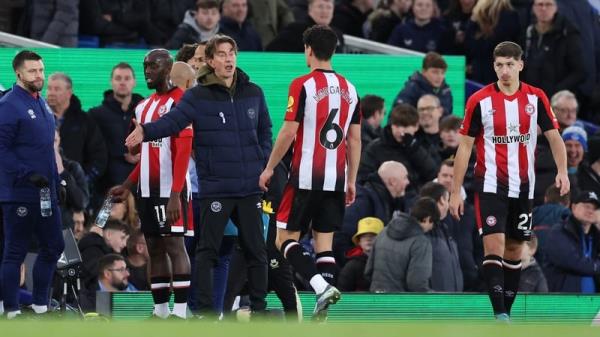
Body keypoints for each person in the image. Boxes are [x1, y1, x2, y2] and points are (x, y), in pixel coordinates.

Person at [124, 35, 272, 318]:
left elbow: (265, 131)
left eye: (232, 53)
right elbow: (173, 123)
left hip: (249, 186)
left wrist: (261, 163)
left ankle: (260, 309)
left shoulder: (254, 92)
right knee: (207, 251)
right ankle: (203, 311)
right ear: (211, 60)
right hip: (216, 186)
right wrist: (147, 131)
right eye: (222, 54)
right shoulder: (197, 96)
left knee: (257, 251)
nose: (228, 59)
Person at [450, 41, 568, 321]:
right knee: (494, 245)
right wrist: (455, 191)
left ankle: (507, 313)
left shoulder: (536, 98)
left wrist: (562, 171)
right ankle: (500, 314)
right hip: (490, 184)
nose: (504, 71)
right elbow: (465, 147)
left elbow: (554, 137)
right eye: (499, 65)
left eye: (510, 65)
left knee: (515, 249)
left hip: (523, 186)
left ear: (520, 65)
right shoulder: (479, 100)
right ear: (494, 66)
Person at [258, 25, 361, 321]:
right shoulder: (351, 89)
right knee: (323, 244)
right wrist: (351, 179)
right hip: (336, 178)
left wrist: (269, 168)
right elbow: (354, 140)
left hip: (304, 175)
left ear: (308, 50)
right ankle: (323, 309)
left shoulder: (302, 84)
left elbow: (289, 131)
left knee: (283, 238)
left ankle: (319, 287)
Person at [111, 49, 193, 320]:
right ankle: (160, 312)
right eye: (145, 67)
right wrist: (126, 184)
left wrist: (175, 194)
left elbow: (182, 152)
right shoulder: (142, 107)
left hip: (171, 190)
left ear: (168, 69)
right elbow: (146, 156)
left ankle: (180, 313)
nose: (148, 71)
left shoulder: (182, 103)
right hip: (146, 190)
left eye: (153, 67)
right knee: (154, 248)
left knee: (174, 247)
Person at [0, 50, 65, 319]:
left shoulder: (42, 104)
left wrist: (58, 178)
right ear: (18, 74)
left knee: (54, 246)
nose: (39, 75)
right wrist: (27, 174)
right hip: (20, 192)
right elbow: (1, 150)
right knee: (15, 251)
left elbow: (46, 147)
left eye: (41, 70)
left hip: (46, 190)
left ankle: (40, 306)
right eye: (32, 71)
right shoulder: (9, 104)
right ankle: (11, 310)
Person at [89, 62, 144, 196]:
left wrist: (141, 154)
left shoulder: (146, 112)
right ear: (111, 82)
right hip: (107, 188)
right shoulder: (96, 114)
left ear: (134, 82)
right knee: (104, 217)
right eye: (118, 78)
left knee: (141, 217)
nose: (122, 82)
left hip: (141, 186)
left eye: (127, 78)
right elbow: (92, 149)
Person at [365, 197, 437, 292]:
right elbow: (416, 284)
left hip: (376, 300)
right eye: (433, 223)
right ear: (427, 219)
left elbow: (368, 271)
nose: (431, 228)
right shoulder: (421, 242)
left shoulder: (384, 231)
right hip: (400, 304)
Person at [545, 190, 600, 292]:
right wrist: (596, 266)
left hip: (594, 304)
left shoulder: (596, 235)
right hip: (566, 302)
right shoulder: (559, 231)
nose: (591, 211)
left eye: (595, 208)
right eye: (587, 206)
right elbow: (572, 262)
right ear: (573, 207)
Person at [337, 217, 384, 291]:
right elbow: (342, 294)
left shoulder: (389, 263)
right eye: (364, 236)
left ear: (382, 239)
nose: (368, 239)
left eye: (373, 236)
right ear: (359, 242)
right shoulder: (351, 266)